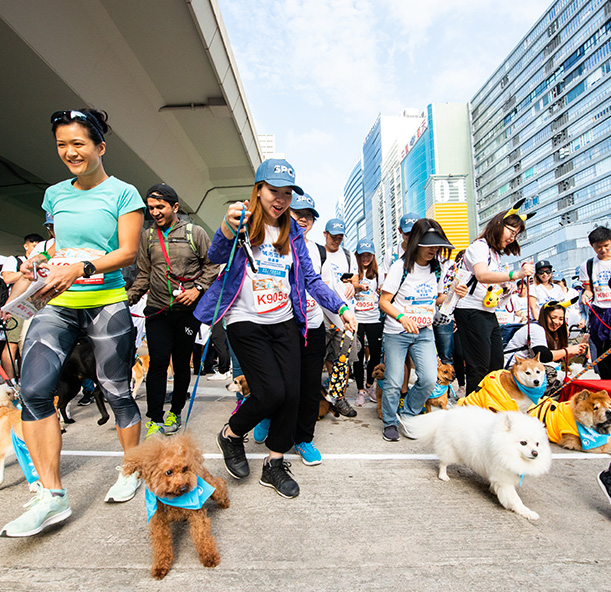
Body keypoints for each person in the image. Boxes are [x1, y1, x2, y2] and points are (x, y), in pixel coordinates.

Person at [0, 109, 145, 538]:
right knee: (33, 390)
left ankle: (131, 469)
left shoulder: (125, 194)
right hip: (57, 302)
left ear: (100, 147)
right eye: (62, 144)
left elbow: (126, 253)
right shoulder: (54, 194)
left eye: (78, 143)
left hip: (106, 301)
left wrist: (81, 266)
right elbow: (57, 245)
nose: (70, 152)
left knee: (116, 390)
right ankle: (52, 496)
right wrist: (39, 260)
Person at [193, 159, 356, 498]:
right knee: (271, 393)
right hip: (243, 319)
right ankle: (231, 434)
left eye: (286, 193)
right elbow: (215, 255)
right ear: (258, 190)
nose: (280, 200)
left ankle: (274, 463)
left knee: (293, 394)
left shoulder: (293, 232)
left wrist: (340, 307)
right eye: (273, 191)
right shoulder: (242, 221)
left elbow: (310, 278)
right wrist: (226, 227)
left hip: (284, 320)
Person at [127, 184, 218, 438]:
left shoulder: (195, 233)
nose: (155, 212)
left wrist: (197, 289)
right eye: (151, 208)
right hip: (157, 310)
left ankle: (175, 412)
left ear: (174, 207)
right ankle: (154, 418)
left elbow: (212, 266)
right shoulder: (147, 237)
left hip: (186, 311)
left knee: (180, 364)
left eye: (160, 207)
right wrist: (126, 299)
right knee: (157, 363)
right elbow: (143, 275)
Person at [379, 219, 462, 442]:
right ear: (417, 242)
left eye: (436, 246)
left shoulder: (437, 268)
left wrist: (454, 293)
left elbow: (436, 299)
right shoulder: (400, 267)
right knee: (394, 382)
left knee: (428, 379)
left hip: (424, 332)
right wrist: (401, 317)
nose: (433, 250)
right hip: (396, 332)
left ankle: (407, 415)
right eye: (429, 245)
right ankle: (390, 422)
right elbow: (384, 301)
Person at [454, 203, 535, 395]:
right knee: (479, 367)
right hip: (470, 311)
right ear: (498, 225)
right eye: (511, 232)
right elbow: (482, 275)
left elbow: (490, 286)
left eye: (516, 235)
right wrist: (515, 275)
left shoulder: (494, 254)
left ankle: (490, 406)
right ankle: (473, 412)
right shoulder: (478, 247)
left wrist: (506, 288)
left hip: (487, 313)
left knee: (496, 366)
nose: (512, 238)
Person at [319, 218, 359, 417]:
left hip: (343, 318)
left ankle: (339, 398)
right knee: (321, 358)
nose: (336, 241)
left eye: (340, 238)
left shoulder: (348, 255)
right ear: (324, 234)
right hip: (320, 316)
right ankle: (320, 397)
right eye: (333, 237)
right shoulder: (318, 252)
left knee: (343, 360)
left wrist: (353, 284)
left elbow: (355, 279)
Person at [0, 233, 44, 380]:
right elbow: (7, 277)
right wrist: (29, 271)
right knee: (12, 344)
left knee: (29, 345)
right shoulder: (15, 260)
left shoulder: (44, 260)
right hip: (18, 306)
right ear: (26, 246)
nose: (36, 248)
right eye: (33, 245)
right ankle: (11, 383)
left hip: (38, 305)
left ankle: (26, 380)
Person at [504, 300, 588, 369]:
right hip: (512, 368)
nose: (557, 322)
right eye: (553, 317)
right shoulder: (536, 328)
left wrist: (574, 352)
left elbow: (555, 360)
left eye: (561, 319)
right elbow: (544, 356)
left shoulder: (552, 332)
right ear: (544, 317)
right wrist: (569, 350)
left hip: (527, 368)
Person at [352, 238, 383, 407]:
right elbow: (351, 286)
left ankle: (370, 385)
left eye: (368, 255)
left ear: (373, 256)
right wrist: (357, 287)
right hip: (357, 319)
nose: (365, 258)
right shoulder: (353, 271)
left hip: (373, 319)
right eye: (362, 255)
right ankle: (360, 391)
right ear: (357, 255)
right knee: (357, 355)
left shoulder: (378, 273)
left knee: (375, 354)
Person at [580, 226, 611, 379]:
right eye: (599, 247)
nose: (603, 250)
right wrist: (586, 296)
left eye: (606, 245)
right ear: (592, 246)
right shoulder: (588, 265)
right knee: (602, 351)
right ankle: (606, 382)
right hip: (600, 312)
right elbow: (588, 289)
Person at [380, 213, 419, 281]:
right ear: (400, 230)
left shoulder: (425, 252)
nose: (411, 237)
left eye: (414, 233)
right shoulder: (391, 253)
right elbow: (386, 280)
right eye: (407, 233)